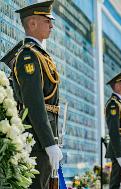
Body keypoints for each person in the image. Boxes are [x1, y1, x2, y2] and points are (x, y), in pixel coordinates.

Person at [0, 1, 63, 189]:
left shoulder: (40, 55)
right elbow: (34, 103)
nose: (52, 25)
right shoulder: (28, 56)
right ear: (33, 24)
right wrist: (49, 143)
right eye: (47, 21)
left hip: (45, 133)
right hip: (36, 137)